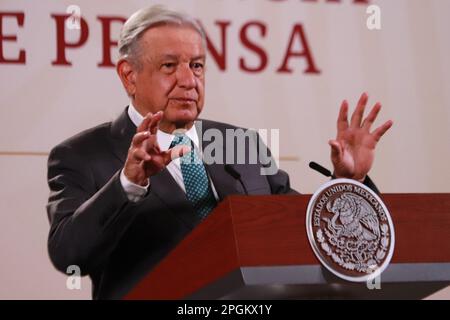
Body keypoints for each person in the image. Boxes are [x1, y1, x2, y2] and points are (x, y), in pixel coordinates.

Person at [46, 5, 393, 299]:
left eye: (196, 66)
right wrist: (128, 183)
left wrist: (348, 181)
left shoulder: (241, 144)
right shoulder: (82, 155)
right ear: (129, 75)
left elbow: (297, 230)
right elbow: (69, 254)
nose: (188, 80)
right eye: (169, 66)